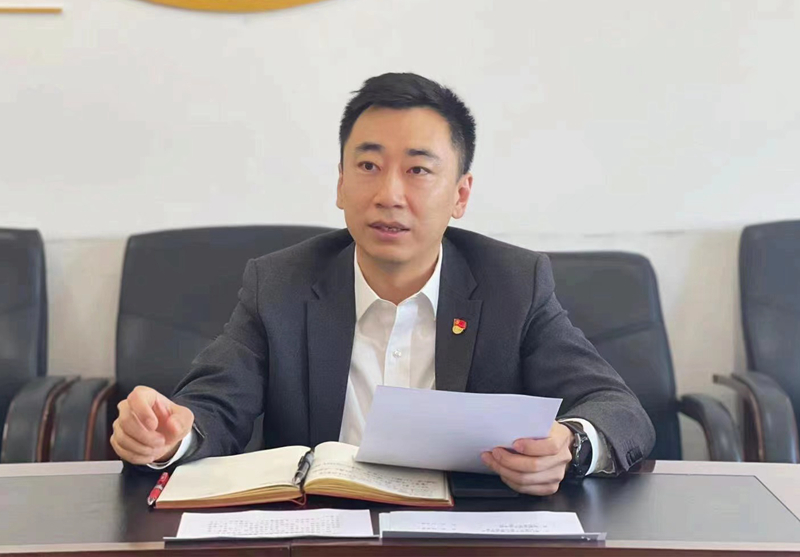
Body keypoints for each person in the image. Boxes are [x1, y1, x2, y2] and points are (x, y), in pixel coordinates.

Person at [111, 72, 655, 495]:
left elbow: (616, 407)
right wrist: (169, 434)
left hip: (466, 536)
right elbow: (215, 405)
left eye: (418, 170)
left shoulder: (513, 284)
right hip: (321, 533)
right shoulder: (280, 285)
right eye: (368, 166)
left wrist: (569, 444)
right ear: (340, 183)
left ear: (460, 195)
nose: (389, 195)